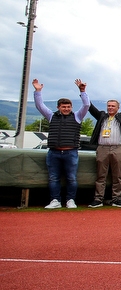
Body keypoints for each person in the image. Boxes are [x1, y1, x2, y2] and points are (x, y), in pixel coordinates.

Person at [32, 78, 90, 209]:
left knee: (71, 178)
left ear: (71, 108)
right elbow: (40, 106)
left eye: (68, 107)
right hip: (53, 152)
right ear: (58, 107)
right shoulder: (51, 116)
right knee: (53, 178)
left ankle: (70, 200)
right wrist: (38, 91)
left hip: (71, 152)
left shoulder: (77, 116)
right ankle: (55, 201)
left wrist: (82, 91)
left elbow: (86, 105)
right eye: (63, 107)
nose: (66, 109)